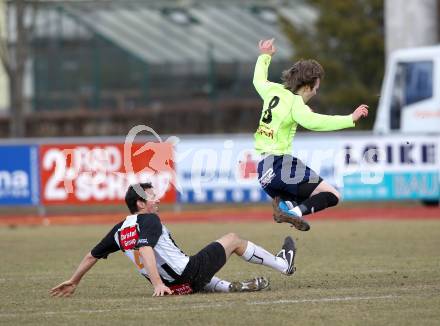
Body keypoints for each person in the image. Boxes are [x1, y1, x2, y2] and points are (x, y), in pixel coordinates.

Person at [50, 182, 297, 297]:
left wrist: (74, 281)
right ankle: (282, 264)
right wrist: (157, 284)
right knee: (232, 239)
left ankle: (226, 286)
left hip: (177, 287)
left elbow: (91, 255)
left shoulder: (118, 230)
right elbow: (145, 248)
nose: (156, 200)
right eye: (151, 196)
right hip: (183, 277)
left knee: (201, 271)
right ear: (140, 203)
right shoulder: (149, 221)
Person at [253, 39, 369, 231]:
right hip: (281, 165)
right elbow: (316, 123)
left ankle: (286, 205)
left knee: (308, 198)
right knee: (332, 195)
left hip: (264, 172)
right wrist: (350, 119)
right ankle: (292, 213)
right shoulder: (296, 103)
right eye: (316, 87)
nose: (316, 92)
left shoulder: (272, 90)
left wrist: (265, 55)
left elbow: (258, 79)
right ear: (307, 86)